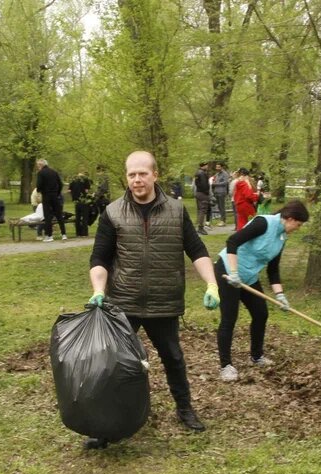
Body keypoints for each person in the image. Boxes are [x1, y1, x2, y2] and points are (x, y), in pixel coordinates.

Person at [86, 150, 221, 449]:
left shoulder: (176, 210)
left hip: (164, 302)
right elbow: (99, 258)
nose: (137, 180)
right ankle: (105, 424)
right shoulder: (113, 212)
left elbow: (197, 250)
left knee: (173, 358)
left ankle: (184, 409)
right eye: (132, 174)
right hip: (124, 302)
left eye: (143, 173)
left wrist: (212, 284)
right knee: (113, 365)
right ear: (127, 177)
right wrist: (98, 290)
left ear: (155, 175)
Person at [216, 201, 310, 382]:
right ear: (290, 219)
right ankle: (225, 365)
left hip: (249, 276)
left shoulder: (282, 238)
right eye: (298, 225)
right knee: (229, 318)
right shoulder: (263, 223)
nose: (298, 229)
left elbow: (273, 270)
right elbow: (232, 241)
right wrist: (234, 273)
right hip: (228, 271)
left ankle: (256, 356)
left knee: (261, 313)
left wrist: (280, 295)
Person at [36, 158, 67, 242]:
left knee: (47, 216)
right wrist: (57, 193)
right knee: (59, 214)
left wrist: (39, 190)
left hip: (46, 196)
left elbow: (39, 184)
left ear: (41, 165)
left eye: (38, 165)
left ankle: (49, 235)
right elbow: (60, 184)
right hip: (55, 196)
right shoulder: (54, 172)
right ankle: (64, 234)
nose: (38, 167)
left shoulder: (41, 173)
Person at [193, 162, 211, 235]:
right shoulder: (202, 173)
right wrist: (207, 193)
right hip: (203, 194)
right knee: (202, 210)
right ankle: (200, 227)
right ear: (204, 166)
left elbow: (196, 184)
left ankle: (199, 226)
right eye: (206, 165)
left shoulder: (197, 173)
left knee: (200, 210)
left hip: (198, 193)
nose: (207, 167)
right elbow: (204, 185)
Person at [212, 162, 230, 226]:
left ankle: (223, 221)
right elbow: (215, 180)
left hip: (221, 192)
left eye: (218, 167)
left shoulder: (225, 174)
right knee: (219, 207)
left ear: (222, 167)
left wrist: (215, 184)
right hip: (216, 192)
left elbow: (225, 183)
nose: (217, 168)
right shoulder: (217, 174)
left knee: (222, 207)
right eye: (216, 167)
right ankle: (221, 220)